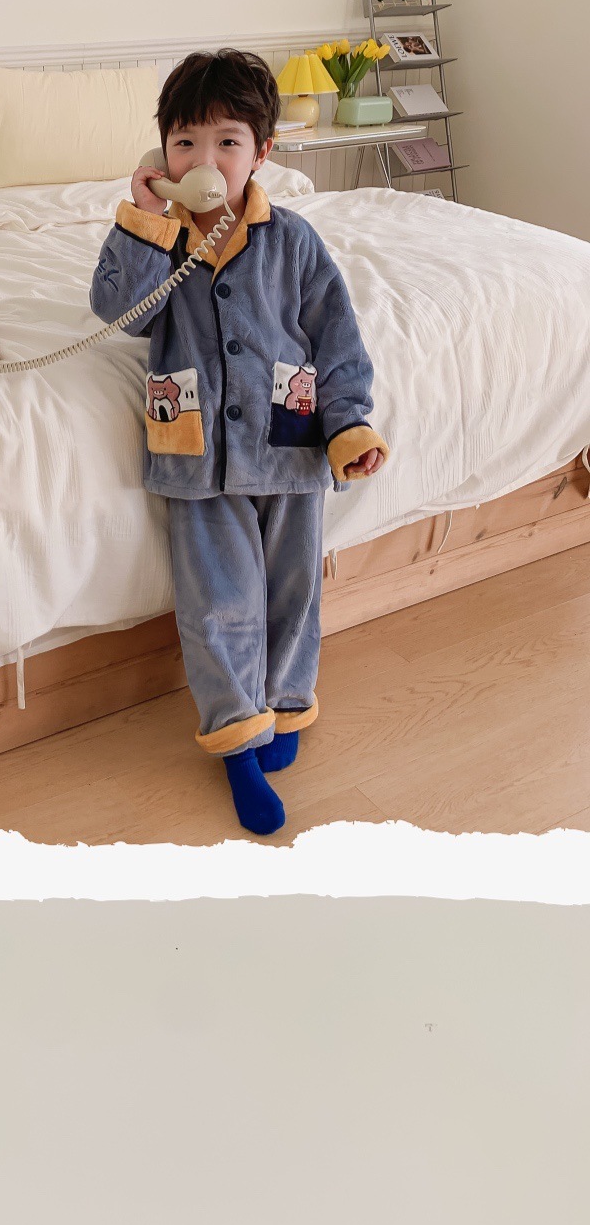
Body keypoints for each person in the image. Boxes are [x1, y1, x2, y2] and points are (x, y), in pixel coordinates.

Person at [90, 47, 386, 834]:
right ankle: (236, 736)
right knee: (218, 604)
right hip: (196, 456)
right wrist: (146, 220)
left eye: (227, 141)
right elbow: (118, 313)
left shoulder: (294, 242)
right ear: (162, 155)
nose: (205, 160)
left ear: (262, 152)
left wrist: (347, 423)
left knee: (293, 589)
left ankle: (286, 703)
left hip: (289, 442)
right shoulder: (158, 241)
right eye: (185, 142)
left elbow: (338, 340)